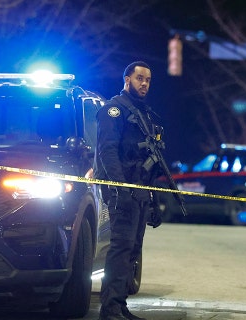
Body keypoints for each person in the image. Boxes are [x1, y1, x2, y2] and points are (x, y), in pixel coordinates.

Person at [95, 61, 163, 320]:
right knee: (121, 247)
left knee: (133, 249)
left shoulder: (143, 112)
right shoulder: (114, 110)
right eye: (139, 78)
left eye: (147, 79)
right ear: (127, 80)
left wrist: (154, 200)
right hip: (122, 188)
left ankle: (120, 305)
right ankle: (109, 309)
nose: (144, 83)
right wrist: (120, 187)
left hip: (140, 188)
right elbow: (107, 150)